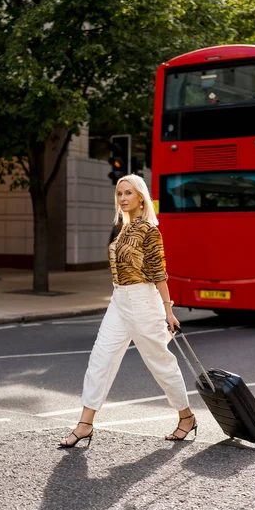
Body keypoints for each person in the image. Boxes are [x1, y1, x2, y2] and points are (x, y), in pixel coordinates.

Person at [59, 174, 196, 448]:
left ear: (141, 197)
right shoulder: (123, 229)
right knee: (101, 358)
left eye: (128, 193)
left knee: (159, 362)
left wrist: (168, 311)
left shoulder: (149, 231)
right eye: (119, 194)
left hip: (143, 301)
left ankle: (186, 416)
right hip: (119, 300)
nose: (122, 198)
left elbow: (159, 273)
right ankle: (85, 423)